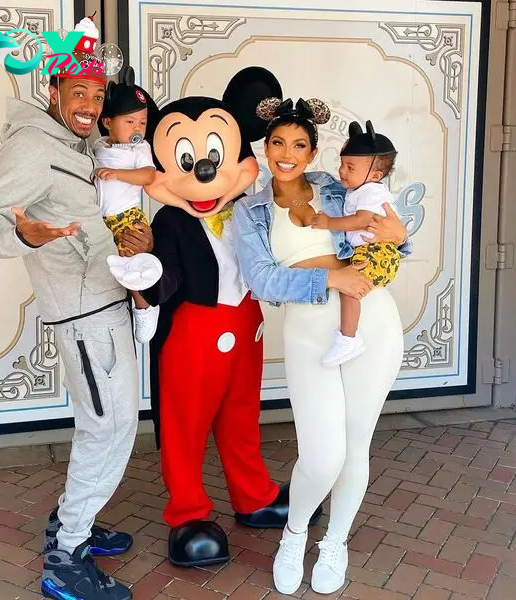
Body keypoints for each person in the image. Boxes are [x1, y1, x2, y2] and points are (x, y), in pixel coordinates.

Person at [0, 16, 154, 600]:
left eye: (98, 95)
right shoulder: (31, 145)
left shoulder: (83, 144)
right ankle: (66, 554)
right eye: (79, 92)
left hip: (109, 303)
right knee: (110, 426)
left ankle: (70, 519)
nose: (90, 104)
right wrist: (29, 235)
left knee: (108, 423)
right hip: (84, 318)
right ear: (53, 90)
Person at [136, 67, 321, 568]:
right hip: (192, 336)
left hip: (247, 327)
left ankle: (253, 493)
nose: (203, 173)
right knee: (185, 425)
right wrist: (145, 279)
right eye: (187, 160)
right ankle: (188, 513)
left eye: (216, 158)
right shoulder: (169, 219)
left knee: (242, 418)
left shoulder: (251, 208)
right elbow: (167, 275)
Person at [233, 96, 411, 596]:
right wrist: (333, 278)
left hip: (374, 325)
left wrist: (398, 234)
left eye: (299, 145)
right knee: (322, 455)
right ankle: (294, 534)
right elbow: (263, 281)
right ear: (265, 148)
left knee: (356, 446)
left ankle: (335, 540)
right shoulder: (251, 210)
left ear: (313, 153)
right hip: (310, 330)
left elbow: (391, 240)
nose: (287, 153)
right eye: (278, 143)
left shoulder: (339, 188)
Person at [310, 120, 401, 366]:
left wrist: (329, 222)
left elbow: (361, 220)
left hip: (376, 252)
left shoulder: (372, 191)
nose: (342, 171)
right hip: (370, 251)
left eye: (350, 167)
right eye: (342, 164)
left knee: (350, 288)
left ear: (375, 175)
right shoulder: (357, 191)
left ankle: (348, 338)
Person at [94, 65, 162, 343]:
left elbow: (149, 175)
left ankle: (144, 305)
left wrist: (118, 174)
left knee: (130, 262)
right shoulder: (99, 146)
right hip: (101, 220)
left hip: (127, 217)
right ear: (108, 121)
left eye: (142, 123)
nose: (137, 129)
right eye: (130, 122)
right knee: (110, 268)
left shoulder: (138, 149)